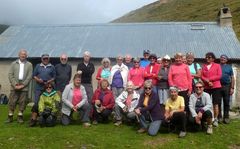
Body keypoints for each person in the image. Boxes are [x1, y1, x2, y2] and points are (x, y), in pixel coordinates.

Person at [6, 49, 33, 123]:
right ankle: (10, 117)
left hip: (24, 87)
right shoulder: (13, 63)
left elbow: (29, 76)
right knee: (12, 101)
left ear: (26, 56)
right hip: (14, 86)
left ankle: (20, 117)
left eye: (24, 54)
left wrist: (23, 85)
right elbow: (10, 75)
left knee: (22, 102)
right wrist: (15, 84)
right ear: (19, 55)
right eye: (22, 54)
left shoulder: (29, 65)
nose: (23, 55)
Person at [30, 54, 56, 127]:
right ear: (42, 59)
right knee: (37, 103)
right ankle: (34, 119)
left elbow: (54, 77)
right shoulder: (38, 66)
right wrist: (38, 80)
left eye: (47, 59)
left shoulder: (52, 67)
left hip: (48, 87)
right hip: (39, 87)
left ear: (49, 59)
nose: (45, 60)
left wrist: (49, 81)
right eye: (44, 59)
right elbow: (34, 75)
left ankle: (45, 117)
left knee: (48, 103)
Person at [201, 52, 222, 127]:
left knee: (215, 103)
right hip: (207, 87)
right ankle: (207, 118)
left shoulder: (217, 65)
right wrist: (207, 81)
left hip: (216, 86)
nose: (207, 58)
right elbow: (201, 76)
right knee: (206, 103)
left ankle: (215, 119)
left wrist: (209, 80)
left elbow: (219, 76)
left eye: (209, 57)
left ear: (213, 58)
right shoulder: (204, 66)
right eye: (206, 57)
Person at [219, 54, 234, 124]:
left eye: (224, 58)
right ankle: (219, 116)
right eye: (221, 58)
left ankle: (226, 117)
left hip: (226, 86)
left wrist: (232, 87)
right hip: (218, 86)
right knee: (218, 102)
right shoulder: (217, 66)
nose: (222, 59)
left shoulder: (229, 67)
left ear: (226, 60)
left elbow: (232, 78)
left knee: (226, 102)